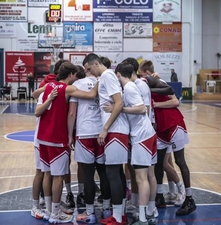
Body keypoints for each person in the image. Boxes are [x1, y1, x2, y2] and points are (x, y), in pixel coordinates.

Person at [35, 62, 98, 223]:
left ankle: (49, 210)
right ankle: (55, 215)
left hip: (42, 137)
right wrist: (101, 81)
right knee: (58, 177)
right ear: (70, 75)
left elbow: (36, 100)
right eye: (74, 76)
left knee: (47, 174)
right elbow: (91, 95)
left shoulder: (49, 86)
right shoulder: (67, 89)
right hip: (57, 138)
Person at [138, 60, 196, 216]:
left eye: (141, 74)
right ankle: (159, 196)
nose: (140, 77)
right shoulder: (143, 86)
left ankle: (189, 198)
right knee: (158, 163)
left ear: (147, 74)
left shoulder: (159, 82)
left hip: (173, 124)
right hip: (160, 129)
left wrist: (156, 105)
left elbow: (175, 101)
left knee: (179, 161)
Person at [105, 62, 157, 225]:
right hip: (145, 134)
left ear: (119, 75)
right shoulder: (130, 87)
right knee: (146, 176)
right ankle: (147, 213)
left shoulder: (129, 88)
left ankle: (143, 217)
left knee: (142, 178)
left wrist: (119, 109)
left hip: (142, 136)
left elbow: (142, 109)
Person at [83, 53, 129, 225]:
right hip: (115, 129)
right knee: (116, 172)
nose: (89, 72)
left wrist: (105, 128)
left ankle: (118, 218)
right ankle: (120, 213)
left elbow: (118, 103)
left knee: (112, 173)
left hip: (115, 130)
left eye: (89, 68)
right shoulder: (104, 77)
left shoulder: (108, 75)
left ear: (96, 63)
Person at [67, 69, 112, 224]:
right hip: (101, 133)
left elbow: (72, 113)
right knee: (103, 173)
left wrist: (69, 135)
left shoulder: (77, 85)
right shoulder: (103, 83)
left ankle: (90, 213)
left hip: (85, 133)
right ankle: (107, 210)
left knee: (87, 175)